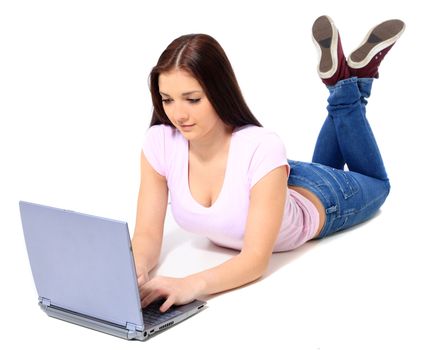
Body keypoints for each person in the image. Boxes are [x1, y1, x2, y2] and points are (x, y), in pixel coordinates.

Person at [132, 15, 405, 312]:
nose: (178, 114)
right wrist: (134, 272)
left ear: (219, 91)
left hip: (324, 199)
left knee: (377, 183)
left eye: (192, 99)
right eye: (167, 99)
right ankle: (348, 81)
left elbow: (255, 260)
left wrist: (188, 284)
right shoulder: (159, 143)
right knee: (330, 151)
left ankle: (350, 86)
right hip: (270, 182)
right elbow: (146, 235)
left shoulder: (261, 145)